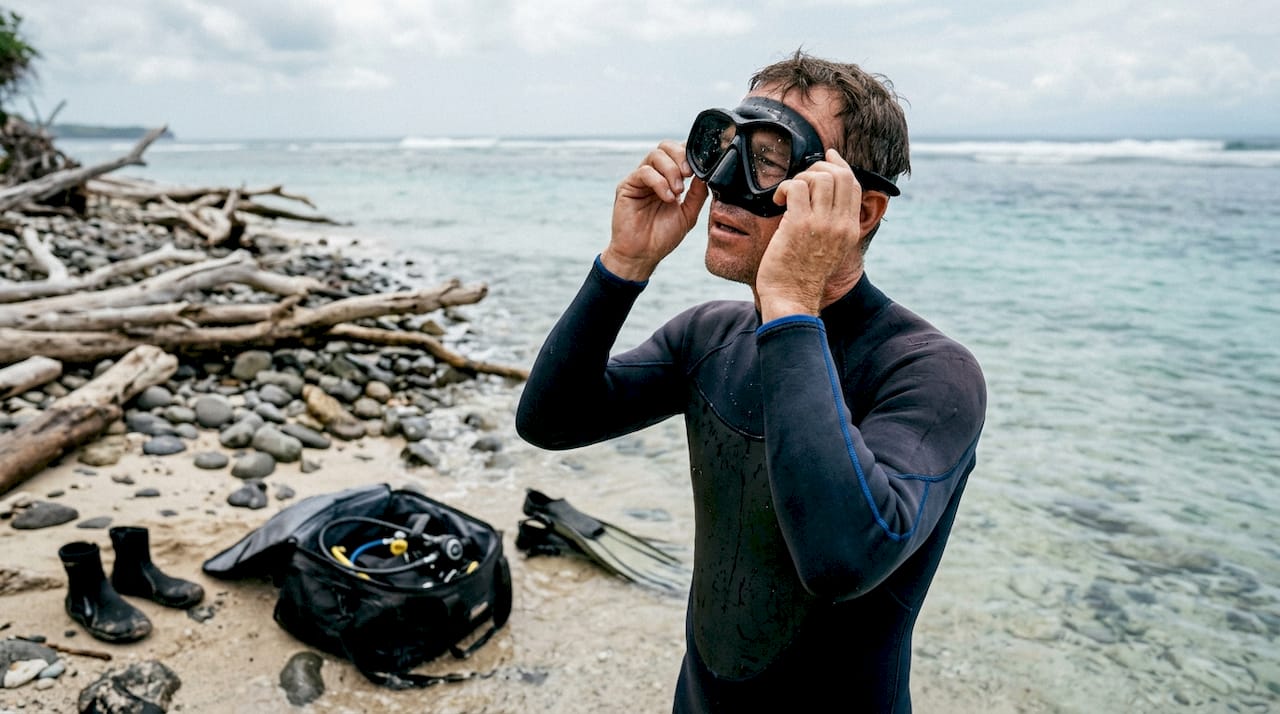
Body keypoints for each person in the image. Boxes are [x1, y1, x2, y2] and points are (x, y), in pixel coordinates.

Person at [516, 50, 987, 713]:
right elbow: (550, 421)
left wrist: (793, 302)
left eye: (771, 160)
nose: (731, 184)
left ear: (862, 211)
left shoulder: (930, 372)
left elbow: (840, 559)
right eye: (725, 146)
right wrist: (623, 263)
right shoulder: (709, 337)